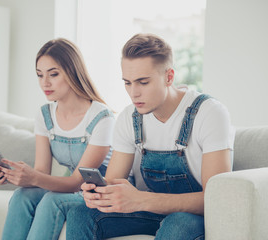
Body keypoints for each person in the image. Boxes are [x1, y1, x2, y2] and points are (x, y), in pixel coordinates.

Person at [66, 33, 235, 240]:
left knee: (178, 224)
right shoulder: (129, 117)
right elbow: (112, 182)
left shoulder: (209, 113)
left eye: (143, 82)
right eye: (127, 83)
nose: (133, 93)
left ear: (169, 77)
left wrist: (141, 200)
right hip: (152, 212)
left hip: (196, 217)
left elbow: (215, 199)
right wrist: (99, 195)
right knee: (81, 213)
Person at [0, 38, 115, 240]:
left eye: (53, 74)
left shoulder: (102, 118)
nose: (44, 83)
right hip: (74, 189)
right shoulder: (45, 115)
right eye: (40, 75)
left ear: (73, 72)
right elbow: (41, 172)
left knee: (50, 201)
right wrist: (14, 175)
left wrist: (33, 177)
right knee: (22, 196)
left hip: (98, 192)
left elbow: (75, 183)